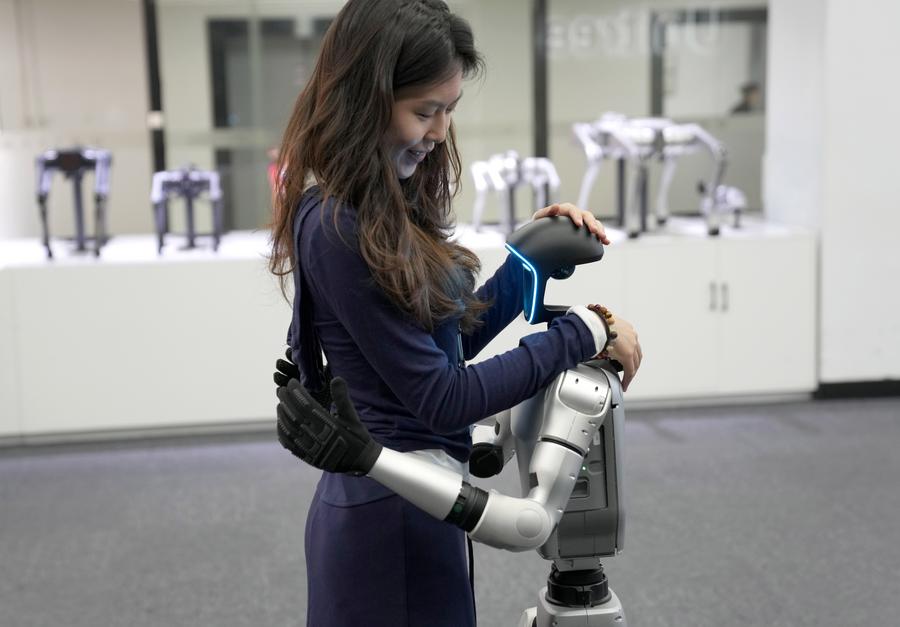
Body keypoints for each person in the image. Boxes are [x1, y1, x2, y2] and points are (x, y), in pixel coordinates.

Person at [267, 1, 643, 625]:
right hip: (391, 517)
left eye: (448, 110)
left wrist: (528, 261)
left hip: (419, 505)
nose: (440, 131)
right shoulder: (339, 224)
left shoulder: (377, 205)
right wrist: (584, 331)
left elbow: (445, 342)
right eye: (424, 111)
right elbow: (442, 397)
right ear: (365, 101)